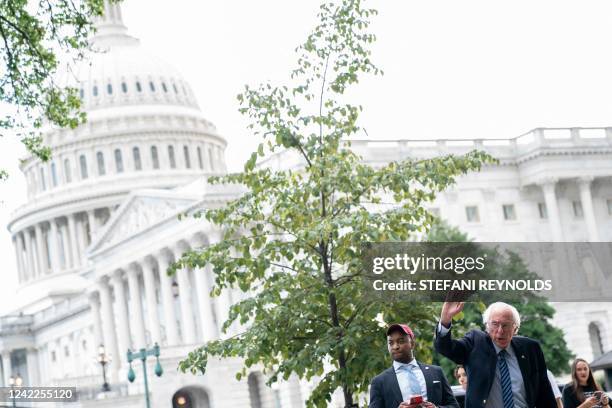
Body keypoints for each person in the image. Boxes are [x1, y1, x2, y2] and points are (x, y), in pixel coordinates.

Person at [434, 301, 556, 408]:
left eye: (506, 325)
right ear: (487, 326)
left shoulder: (530, 349)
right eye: (495, 324)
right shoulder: (476, 343)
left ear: (515, 328)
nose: (500, 331)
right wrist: (445, 320)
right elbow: (445, 347)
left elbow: (545, 394)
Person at [370, 323, 459, 408]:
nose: (395, 346)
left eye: (401, 341)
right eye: (391, 343)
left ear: (412, 344)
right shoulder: (379, 382)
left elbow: (454, 406)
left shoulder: (436, 372)